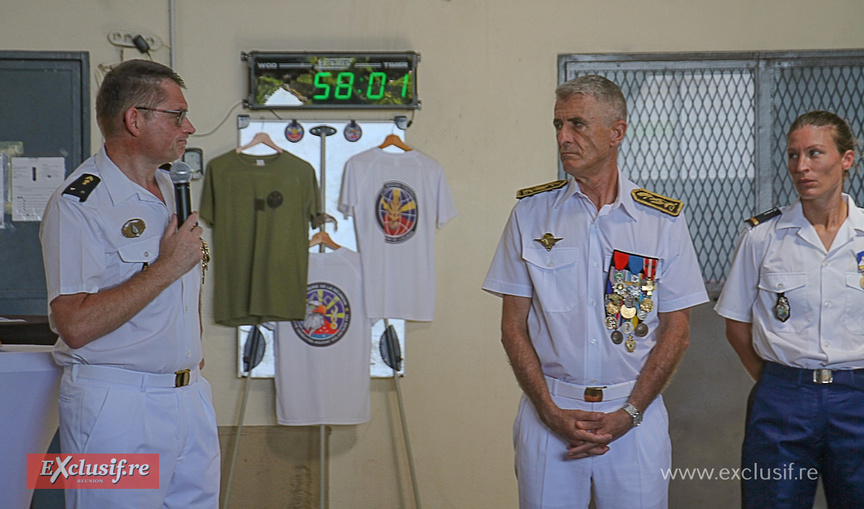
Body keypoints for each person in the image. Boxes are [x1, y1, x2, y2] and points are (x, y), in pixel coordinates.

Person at [482, 74, 709, 508]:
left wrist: (630, 412)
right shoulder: (531, 214)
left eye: (577, 124)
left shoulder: (660, 221)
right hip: (549, 413)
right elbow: (513, 327)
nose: (563, 137)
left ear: (616, 132)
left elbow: (677, 330)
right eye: (558, 125)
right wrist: (549, 411)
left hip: (634, 415)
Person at [40, 59, 218, 508]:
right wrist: (165, 266)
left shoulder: (172, 187)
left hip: (189, 397)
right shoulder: (81, 203)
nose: (189, 127)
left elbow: (185, 286)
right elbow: (74, 324)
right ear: (134, 120)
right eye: (177, 115)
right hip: (118, 406)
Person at [715, 110, 864, 508]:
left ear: (847, 159)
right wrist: (777, 381)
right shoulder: (763, 237)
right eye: (793, 155)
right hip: (783, 398)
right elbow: (736, 324)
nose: (801, 167)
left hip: (858, 397)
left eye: (814, 153)